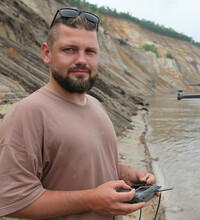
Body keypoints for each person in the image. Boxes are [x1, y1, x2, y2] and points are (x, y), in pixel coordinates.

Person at [0, 8, 156, 220]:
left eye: (90, 51)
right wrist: (91, 200)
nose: (82, 60)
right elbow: (13, 201)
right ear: (47, 53)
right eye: (70, 50)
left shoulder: (96, 105)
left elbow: (88, 163)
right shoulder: (29, 113)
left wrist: (126, 174)